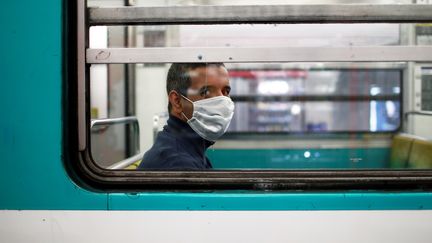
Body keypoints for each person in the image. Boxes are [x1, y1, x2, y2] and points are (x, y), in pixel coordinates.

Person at [137, 63, 234, 170]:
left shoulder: (190, 150)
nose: (221, 102)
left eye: (226, 91)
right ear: (177, 101)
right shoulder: (179, 165)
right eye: (205, 91)